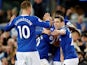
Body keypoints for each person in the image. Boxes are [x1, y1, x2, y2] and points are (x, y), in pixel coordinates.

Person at [4, 1, 51, 65]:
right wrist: (47, 19)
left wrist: (11, 21)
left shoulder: (16, 20)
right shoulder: (33, 18)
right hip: (31, 51)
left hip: (20, 52)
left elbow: (6, 28)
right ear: (29, 8)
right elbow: (47, 25)